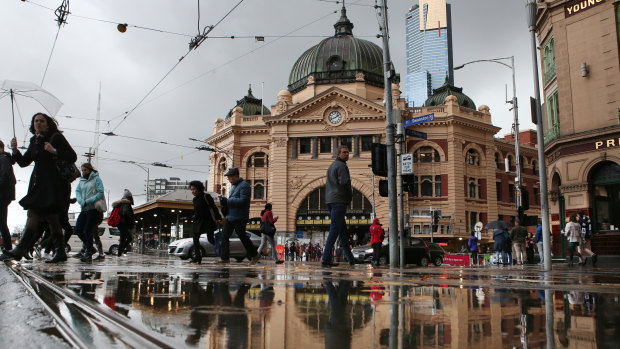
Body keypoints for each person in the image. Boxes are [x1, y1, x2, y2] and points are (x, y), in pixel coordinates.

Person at [0, 113, 77, 263]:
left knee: (34, 213)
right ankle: (60, 251)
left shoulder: (55, 137)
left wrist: (54, 151)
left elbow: (72, 156)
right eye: (36, 121)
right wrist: (15, 151)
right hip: (40, 183)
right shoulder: (34, 141)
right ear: (33, 124)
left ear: (48, 124)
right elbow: (24, 162)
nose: (38, 123)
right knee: (52, 218)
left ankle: (20, 249)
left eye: (42, 121)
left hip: (54, 183)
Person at [321, 146, 355, 267]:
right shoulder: (341, 166)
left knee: (342, 231)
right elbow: (344, 183)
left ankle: (351, 258)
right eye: (344, 152)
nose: (347, 154)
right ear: (339, 153)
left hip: (331, 200)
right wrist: (350, 196)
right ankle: (325, 258)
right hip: (339, 200)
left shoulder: (332, 166)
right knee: (335, 229)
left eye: (348, 152)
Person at [218, 168, 260, 265]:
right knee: (224, 236)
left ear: (236, 176)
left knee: (242, 236)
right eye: (228, 178)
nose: (229, 179)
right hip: (230, 216)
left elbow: (244, 201)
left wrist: (228, 201)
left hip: (240, 216)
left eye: (230, 177)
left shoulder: (244, 186)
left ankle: (255, 255)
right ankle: (224, 258)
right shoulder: (233, 187)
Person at [74, 162, 105, 262]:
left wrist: (89, 200)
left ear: (90, 169)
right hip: (84, 208)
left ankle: (88, 253)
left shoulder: (96, 179)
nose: (83, 172)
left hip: (94, 209)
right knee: (78, 229)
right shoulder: (81, 180)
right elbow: (78, 191)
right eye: (82, 170)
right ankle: (91, 248)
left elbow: (100, 192)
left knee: (88, 230)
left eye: (85, 170)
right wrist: (80, 200)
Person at [188, 181, 221, 264]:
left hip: (207, 221)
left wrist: (218, 217)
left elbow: (214, 207)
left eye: (194, 189)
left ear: (199, 188)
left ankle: (223, 251)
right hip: (198, 221)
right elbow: (196, 211)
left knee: (210, 239)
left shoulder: (207, 196)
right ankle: (197, 257)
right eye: (191, 189)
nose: (192, 191)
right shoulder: (194, 199)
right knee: (195, 238)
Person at [0, 140, 16, 252]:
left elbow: (4, 176)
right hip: (5, 194)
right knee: (1, 222)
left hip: (2, 194)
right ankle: (8, 247)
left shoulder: (3, 159)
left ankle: (8, 248)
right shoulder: (5, 159)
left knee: (2, 222)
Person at [113, 189, 135, 257]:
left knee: (125, 238)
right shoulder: (126, 204)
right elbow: (125, 213)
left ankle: (120, 251)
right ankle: (120, 252)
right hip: (123, 224)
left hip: (120, 224)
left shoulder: (120, 204)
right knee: (126, 239)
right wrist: (131, 221)